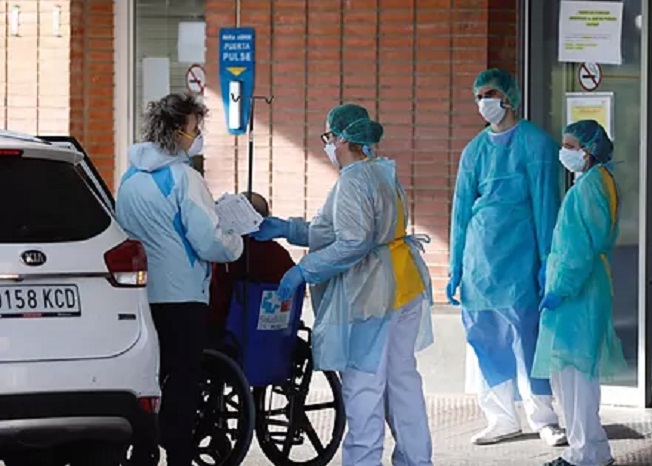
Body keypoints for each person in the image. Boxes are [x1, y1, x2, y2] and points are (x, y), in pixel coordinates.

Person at [252, 103, 434, 466]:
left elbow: (352, 241)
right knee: (402, 382)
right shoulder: (381, 171)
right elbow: (338, 230)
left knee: (364, 384)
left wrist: (304, 270)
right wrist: (289, 228)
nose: (327, 145)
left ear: (342, 139)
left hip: (373, 295)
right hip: (404, 286)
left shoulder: (353, 180)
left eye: (329, 137)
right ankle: (416, 460)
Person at [115, 93, 244, 466]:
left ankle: (142, 451)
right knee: (183, 377)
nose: (198, 135)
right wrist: (235, 241)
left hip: (140, 294)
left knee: (147, 376)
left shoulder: (130, 177)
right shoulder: (185, 178)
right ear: (176, 131)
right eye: (194, 128)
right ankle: (179, 454)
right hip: (182, 295)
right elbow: (208, 239)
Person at [447, 68, 567, 446]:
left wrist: (548, 261)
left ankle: (544, 417)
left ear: (509, 97)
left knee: (528, 337)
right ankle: (500, 418)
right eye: (479, 95)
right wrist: (455, 267)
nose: (484, 101)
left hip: (521, 254)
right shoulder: (474, 151)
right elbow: (460, 212)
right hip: (479, 260)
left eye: (491, 93)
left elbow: (547, 207)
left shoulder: (536, 145)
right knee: (486, 339)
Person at [533, 120, 626, 466]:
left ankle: (583, 454)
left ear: (587, 151)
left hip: (577, 292)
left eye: (571, 146)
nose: (565, 152)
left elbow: (577, 250)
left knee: (573, 376)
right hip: (588, 286)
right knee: (577, 374)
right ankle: (592, 450)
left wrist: (560, 288)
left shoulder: (586, 188)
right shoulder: (601, 181)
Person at [208, 192, 296, 333]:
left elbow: (217, 304)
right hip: (277, 338)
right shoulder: (281, 255)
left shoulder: (228, 257)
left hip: (231, 335)